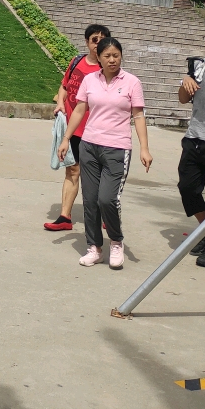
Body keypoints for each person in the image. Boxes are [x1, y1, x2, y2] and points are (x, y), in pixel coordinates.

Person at [58, 37, 152, 269]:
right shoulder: (90, 80)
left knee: (107, 199)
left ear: (121, 57)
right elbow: (80, 110)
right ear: (98, 57)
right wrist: (66, 138)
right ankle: (94, 248)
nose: (112, 60)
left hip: (117, 148)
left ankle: (116, 241)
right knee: (90, 200)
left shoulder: (131, 82)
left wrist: (145, 148)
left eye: (116, 55)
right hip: (89, 145)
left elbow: (138, 116)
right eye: (107, 56)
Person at [44, 24, 111, 232]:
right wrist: (60, 103)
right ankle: (65, 216)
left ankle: (106, 217)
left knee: (97, 176)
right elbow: (64, 86)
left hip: (95, 131)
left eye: (102, 39)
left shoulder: (106, 70)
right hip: (73, 129)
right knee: (72, 171)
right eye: (94, 39)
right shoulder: (76, 62)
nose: (97, 42)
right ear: (87, 41)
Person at [177, 24, 205, 268]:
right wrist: (185, 80)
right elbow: (182, 98)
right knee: (188, 188)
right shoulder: (199, 66)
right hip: (194, 137)